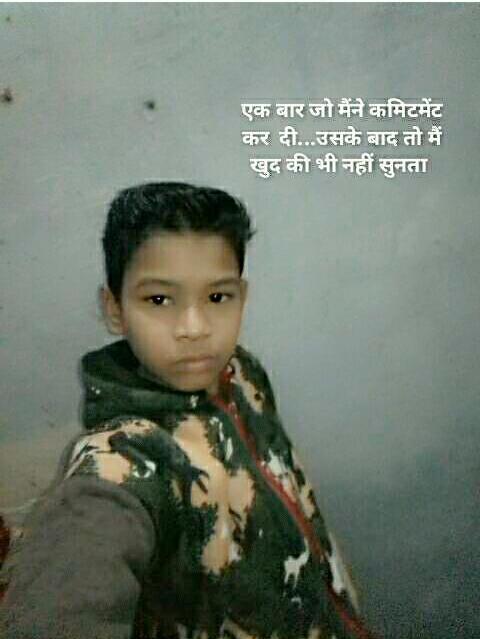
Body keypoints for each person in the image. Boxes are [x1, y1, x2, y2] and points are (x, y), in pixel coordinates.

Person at [0, 182, 376, 639]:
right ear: (115, 309)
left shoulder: (241, 374)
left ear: (242, 296)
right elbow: (66, 595)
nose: (195, 329)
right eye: (159, 300)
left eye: (218, 297)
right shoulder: (123, 464)